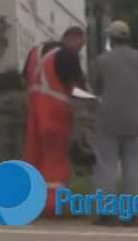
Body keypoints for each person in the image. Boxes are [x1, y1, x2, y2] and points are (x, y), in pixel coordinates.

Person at [22, 25, 88, 217]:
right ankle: (52, 207)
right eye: (80, 45)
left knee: (33, 158)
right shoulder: (67, 56)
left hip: (34, 113)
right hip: (55, 114)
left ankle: (28, 204)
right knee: (55, 160)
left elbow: (25, 80)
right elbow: (77, 88)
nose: (80, 50)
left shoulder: (35, 52)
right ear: (73, 38)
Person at [88, 19, 138, 225]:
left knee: (106, 166)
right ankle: (132, 214)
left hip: (108, 119)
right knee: (132, 167)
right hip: (135, 118)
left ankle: (106, 213)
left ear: (110, 38)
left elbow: (94, 87)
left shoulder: (102, 61)